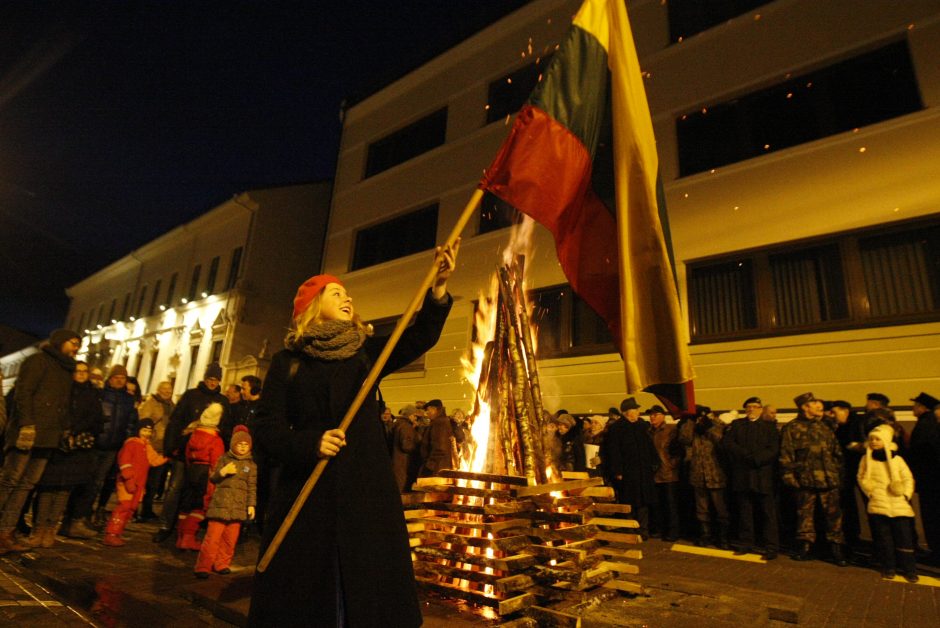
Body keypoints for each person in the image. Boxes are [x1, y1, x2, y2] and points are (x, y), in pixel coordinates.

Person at [248, 242, 458, 627]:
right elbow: (266, 430)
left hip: (366, 496)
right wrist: (310, 443)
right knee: (311, 598)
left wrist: (439, 287)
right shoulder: (288, 363)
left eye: (347, 294)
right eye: (336, 293)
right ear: (312, 307)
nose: (347, 298)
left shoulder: (365, 353)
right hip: (309, 495)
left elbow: (420, 335)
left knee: (367, 595)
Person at [0, 329, 81, 554]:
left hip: (49, 436)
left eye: (78, 344)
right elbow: (23, 393)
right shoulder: (38, 361)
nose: (76, 348)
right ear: (60, 342)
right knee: (10, 481)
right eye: (73, 343)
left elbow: (64, 403)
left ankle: (5, 532)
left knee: (26, 485)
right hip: (29, 431)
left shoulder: (67, 370)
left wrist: (65, 430)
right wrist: (26, 424)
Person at [152, 363, 228, 543]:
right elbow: (176, 420)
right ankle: (166, 525)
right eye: (210, 378)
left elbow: (225, 426)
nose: (212, 382)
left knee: (196, 493)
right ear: (205, 378)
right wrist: (171, 446)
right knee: (175, 488)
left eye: (216, 379)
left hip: (206, 455)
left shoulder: (223, 401)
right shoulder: (191, 395)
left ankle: (188, 529)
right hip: (184, 450)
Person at [33, 361, 103, 545]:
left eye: (84, 371)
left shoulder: (92, 394)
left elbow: (96, 419)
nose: (81, 374)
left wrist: (76, 431)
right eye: (77, 371)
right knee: (48, 487)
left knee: (64, 490)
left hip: (78, 448)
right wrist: (64, 431)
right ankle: (38, 528)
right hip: (57, 444)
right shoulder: (62, 390)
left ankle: (50, 529)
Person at [779, 392, 847, 565]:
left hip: (829, 479)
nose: (819, 406)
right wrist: (789, 477)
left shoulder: (824, 427)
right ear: (805, 407)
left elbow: (837, 453)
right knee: (805, 516)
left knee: (833, 516)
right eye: (815, 403)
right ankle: (806, 547)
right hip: (805, 480)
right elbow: (786, 455)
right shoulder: (792, 428)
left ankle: (836, 549)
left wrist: (839, 475)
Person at [858, 424, 918, 582]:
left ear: (886, 440)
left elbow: (908, 478)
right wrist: (869, 491)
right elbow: (861, 477)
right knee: (885, 539)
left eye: (878, 439)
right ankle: (889, 567)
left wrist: (905, 494)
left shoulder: (897, 459)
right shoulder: (866, 459)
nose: (874, 442)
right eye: (871, 439)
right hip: (878, 504)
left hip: (899, 505)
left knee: (904, 538)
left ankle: (909, 569)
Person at [194, 425, 256, 578]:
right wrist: (223, 472)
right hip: (220, 506)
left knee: (230, 539)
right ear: (234, 444)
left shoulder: (251, 466)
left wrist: (251, 505)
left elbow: (252, 487)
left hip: (238, 508)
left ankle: (222, 563)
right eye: (239, 444)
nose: (242, 447)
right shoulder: (224, 459)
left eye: (245, 445)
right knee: (212, 538)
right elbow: (213, 478)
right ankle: (203, 566)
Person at [723, 397, 780, 559]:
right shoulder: (737, 425)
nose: (752, 409)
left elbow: (774, 449)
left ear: (761, 409)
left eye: (755, 407)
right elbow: (728, 443)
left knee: (768, 513)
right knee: (745, 513)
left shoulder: (770, 427)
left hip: (763, 476)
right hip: (743, 475)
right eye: (749, 407)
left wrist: (757, 459)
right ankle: (746, 543)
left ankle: (771, 547)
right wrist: (745, 456)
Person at [103, 419, 167, 547]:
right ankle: (111, 534)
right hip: (128, 482)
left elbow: (154, 460)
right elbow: (124, 462)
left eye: (149, 431)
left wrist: (168, 455)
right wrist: (129, 479)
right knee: (124, 507)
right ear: (138, 430)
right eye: (144, 430)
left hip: (139, 483)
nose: (147, 433)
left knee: (130, 509)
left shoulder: (146, 446)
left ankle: (117, 533)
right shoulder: (131, 444)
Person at [605, 397, 658, 538]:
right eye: (635, 410)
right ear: (627, 412)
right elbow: (613, 451)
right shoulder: (617, 428)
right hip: (628, 472)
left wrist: (654, 463)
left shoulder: (641, 426)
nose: (638, 412)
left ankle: (643, 530)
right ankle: (630, 528)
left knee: (643, 502)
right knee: (629, 500)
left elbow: (649, 446)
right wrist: (617, 470)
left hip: (643, 470)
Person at [176, 403, 225, 551]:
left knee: (187, 504)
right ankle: (189, 538)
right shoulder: (215, 439)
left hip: (192, 470)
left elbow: (187, 455)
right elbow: (217, 461)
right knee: (199, 506)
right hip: (205, 472)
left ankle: (180, 537)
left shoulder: (194, 434)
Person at [679, 405, 730, 549]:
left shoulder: (718, 425)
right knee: (702, 509)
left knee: (721, 508)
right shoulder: (693, 428)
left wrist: (709, 427)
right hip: (698, 474)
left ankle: (723, 537)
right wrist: (690, 421)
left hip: (715, 474)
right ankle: (705, 535)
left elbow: (721, 440)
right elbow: (684, 439)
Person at [907, 392, 940, 565]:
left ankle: (936, 554)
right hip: (932, 481)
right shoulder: (931, 423)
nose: (913, 408)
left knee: (932, 517)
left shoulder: (925, 425)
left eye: (915, 405)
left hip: (930, 482)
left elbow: (920, 454)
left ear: (923, 407)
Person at [136, 381, 175, 521]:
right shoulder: (151, 403)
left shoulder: (172, 405)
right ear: (158, 390)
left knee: (154, 483)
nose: (167, 391)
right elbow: (143, 421)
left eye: (169, 389)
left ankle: (147, 510)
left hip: (162, 449)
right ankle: (134, 509)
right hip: (149, 446)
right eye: (164, 389)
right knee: (141, 480)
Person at [648, 405, 681, 542]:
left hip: (668, 473)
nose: (652, 417)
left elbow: (678, 450)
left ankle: (673, 532)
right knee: (657, 504)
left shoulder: (671, 430)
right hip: (653, 474)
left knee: (670, 504)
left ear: (663, 416)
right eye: (651, 415)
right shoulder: (648, 432)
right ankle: (659, 529)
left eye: (655, 414)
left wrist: (672, 464)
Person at [390, 405, 419, 492]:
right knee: (402, 488)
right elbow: (406, 446)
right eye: (415, 416)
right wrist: (418, 446)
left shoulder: (398, 424)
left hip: (397, 461)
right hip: (404, 462)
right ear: (410, 415)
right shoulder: (406, 427)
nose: (416, 419)